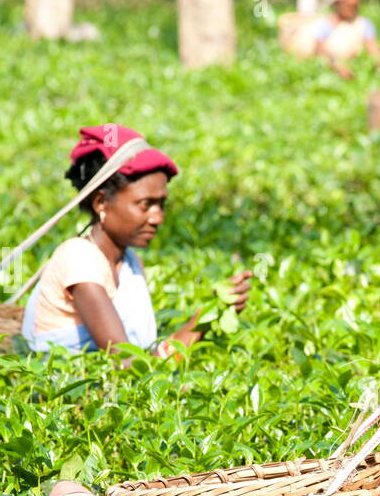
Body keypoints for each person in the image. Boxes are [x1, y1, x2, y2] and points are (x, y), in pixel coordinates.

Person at [21, 124, 251, 357]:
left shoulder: (130, 263)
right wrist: (199, 322)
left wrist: (213, 312)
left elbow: (144, 358)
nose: (157, 217)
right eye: (145, 205)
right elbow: (126, 364)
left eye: (161, 204)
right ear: (101, 202)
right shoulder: (79, 259)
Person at [314, 0, 380, 80]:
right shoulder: (325, 24)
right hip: (330, 75)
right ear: (338, 3)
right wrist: (336, 66)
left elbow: (372, 47)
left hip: (355, 73)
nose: (352, 9)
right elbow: (320, 52)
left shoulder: (364, 24)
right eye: (348, 5)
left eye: (355, 5)